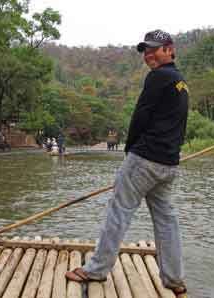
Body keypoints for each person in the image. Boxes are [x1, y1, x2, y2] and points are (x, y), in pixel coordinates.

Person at [65, 29, 189, 298]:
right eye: (145, 51)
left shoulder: (159, 77)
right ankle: (175, 279)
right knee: (167, 220)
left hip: (144, 160)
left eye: (154, 49)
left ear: (170, 49)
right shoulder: (180, 82)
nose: (148, 55)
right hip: (168, 165)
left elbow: (140, 116)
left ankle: (96, 270)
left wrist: (130, 149)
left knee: (118, 213)